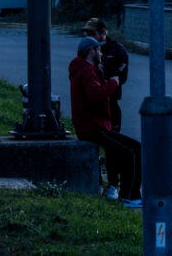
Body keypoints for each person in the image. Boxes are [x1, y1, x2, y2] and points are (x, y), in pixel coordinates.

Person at [69, 36, 142, 207]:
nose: (101, 53)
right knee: (132, 151)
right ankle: (130, 196)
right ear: (90, 51)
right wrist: (112, 83)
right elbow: (95, 95)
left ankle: (127, 194)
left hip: (92, 125)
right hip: (93, 127)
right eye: (98, 50)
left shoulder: (84, 69)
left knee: (130, 149)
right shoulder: (87, 71)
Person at [83, 17, 129, 200]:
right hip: (93, 105)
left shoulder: (117, 50)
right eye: (87, 33)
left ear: (103, 32)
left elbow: (119, 78)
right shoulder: (88, 49)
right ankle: (96, 183)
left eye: (92, 33)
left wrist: (106, 80)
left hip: (110, 104)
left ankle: (112, 185)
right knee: (92, 144)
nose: (89, 36)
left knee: (113, 148)